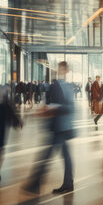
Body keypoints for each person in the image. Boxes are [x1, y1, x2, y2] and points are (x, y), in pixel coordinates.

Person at [23, 61, 75, 194]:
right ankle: (66, 183)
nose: (60, 71)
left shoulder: (65, 86)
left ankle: (35, 184)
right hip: (59, 126)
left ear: (66, 71)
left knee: (47, 155)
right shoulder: (58, 85)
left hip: (60, 127)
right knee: (62, 155)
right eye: (59, 69)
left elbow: (69, 107)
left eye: (62, 69)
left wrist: (53, 107)